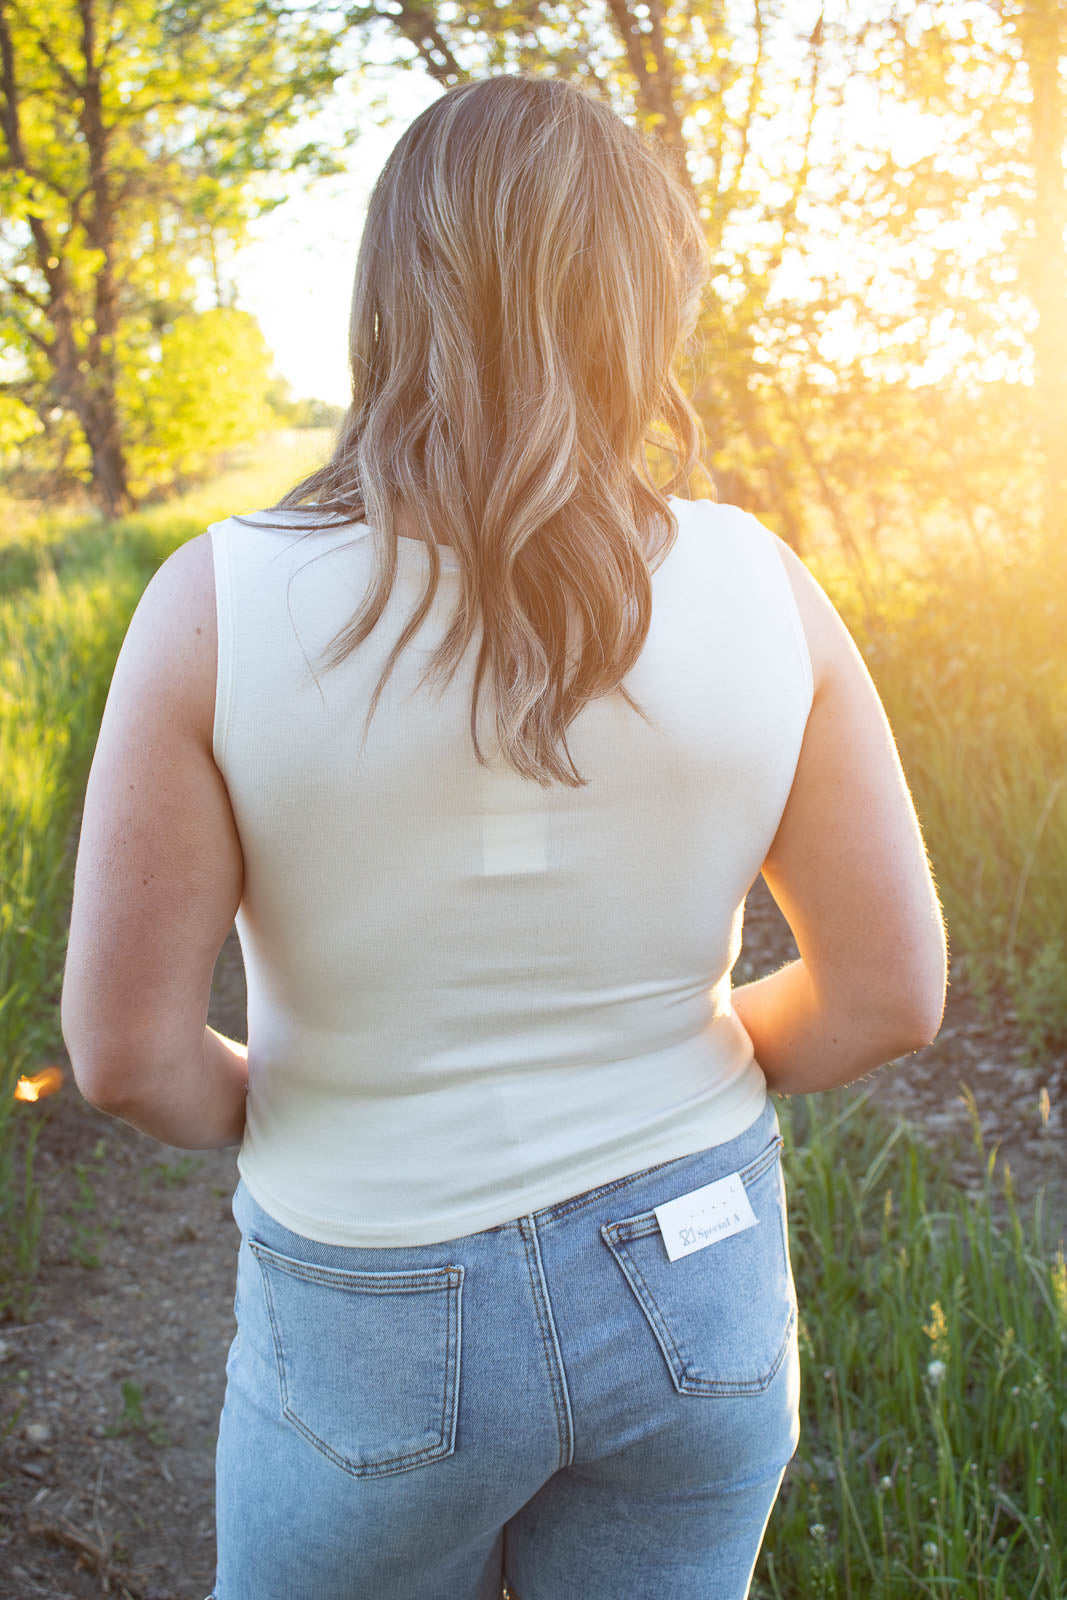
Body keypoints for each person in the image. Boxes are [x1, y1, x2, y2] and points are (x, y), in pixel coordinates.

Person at [60, 71, 947, 1600]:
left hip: (374, 1296)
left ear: (392, 294)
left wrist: (295, 1111)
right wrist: (661, 1073)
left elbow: (130, 1056)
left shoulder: (215, 605)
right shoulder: (764, 583)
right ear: (645, 302)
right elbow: (887, 997)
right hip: (700, 1268)